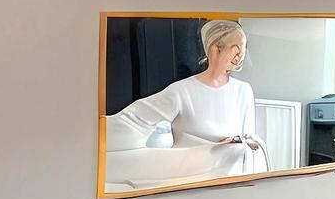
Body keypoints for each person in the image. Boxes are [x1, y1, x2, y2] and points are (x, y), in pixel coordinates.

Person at [104, 20, 267, 184]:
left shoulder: (243, 91)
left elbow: (249, 141)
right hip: (189, 184)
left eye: (243, 49)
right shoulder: (181, 92)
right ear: (215, 49)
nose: (240, 56)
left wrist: (236, 145)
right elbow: (132, 122)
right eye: (236, 49)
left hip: (233, 185)